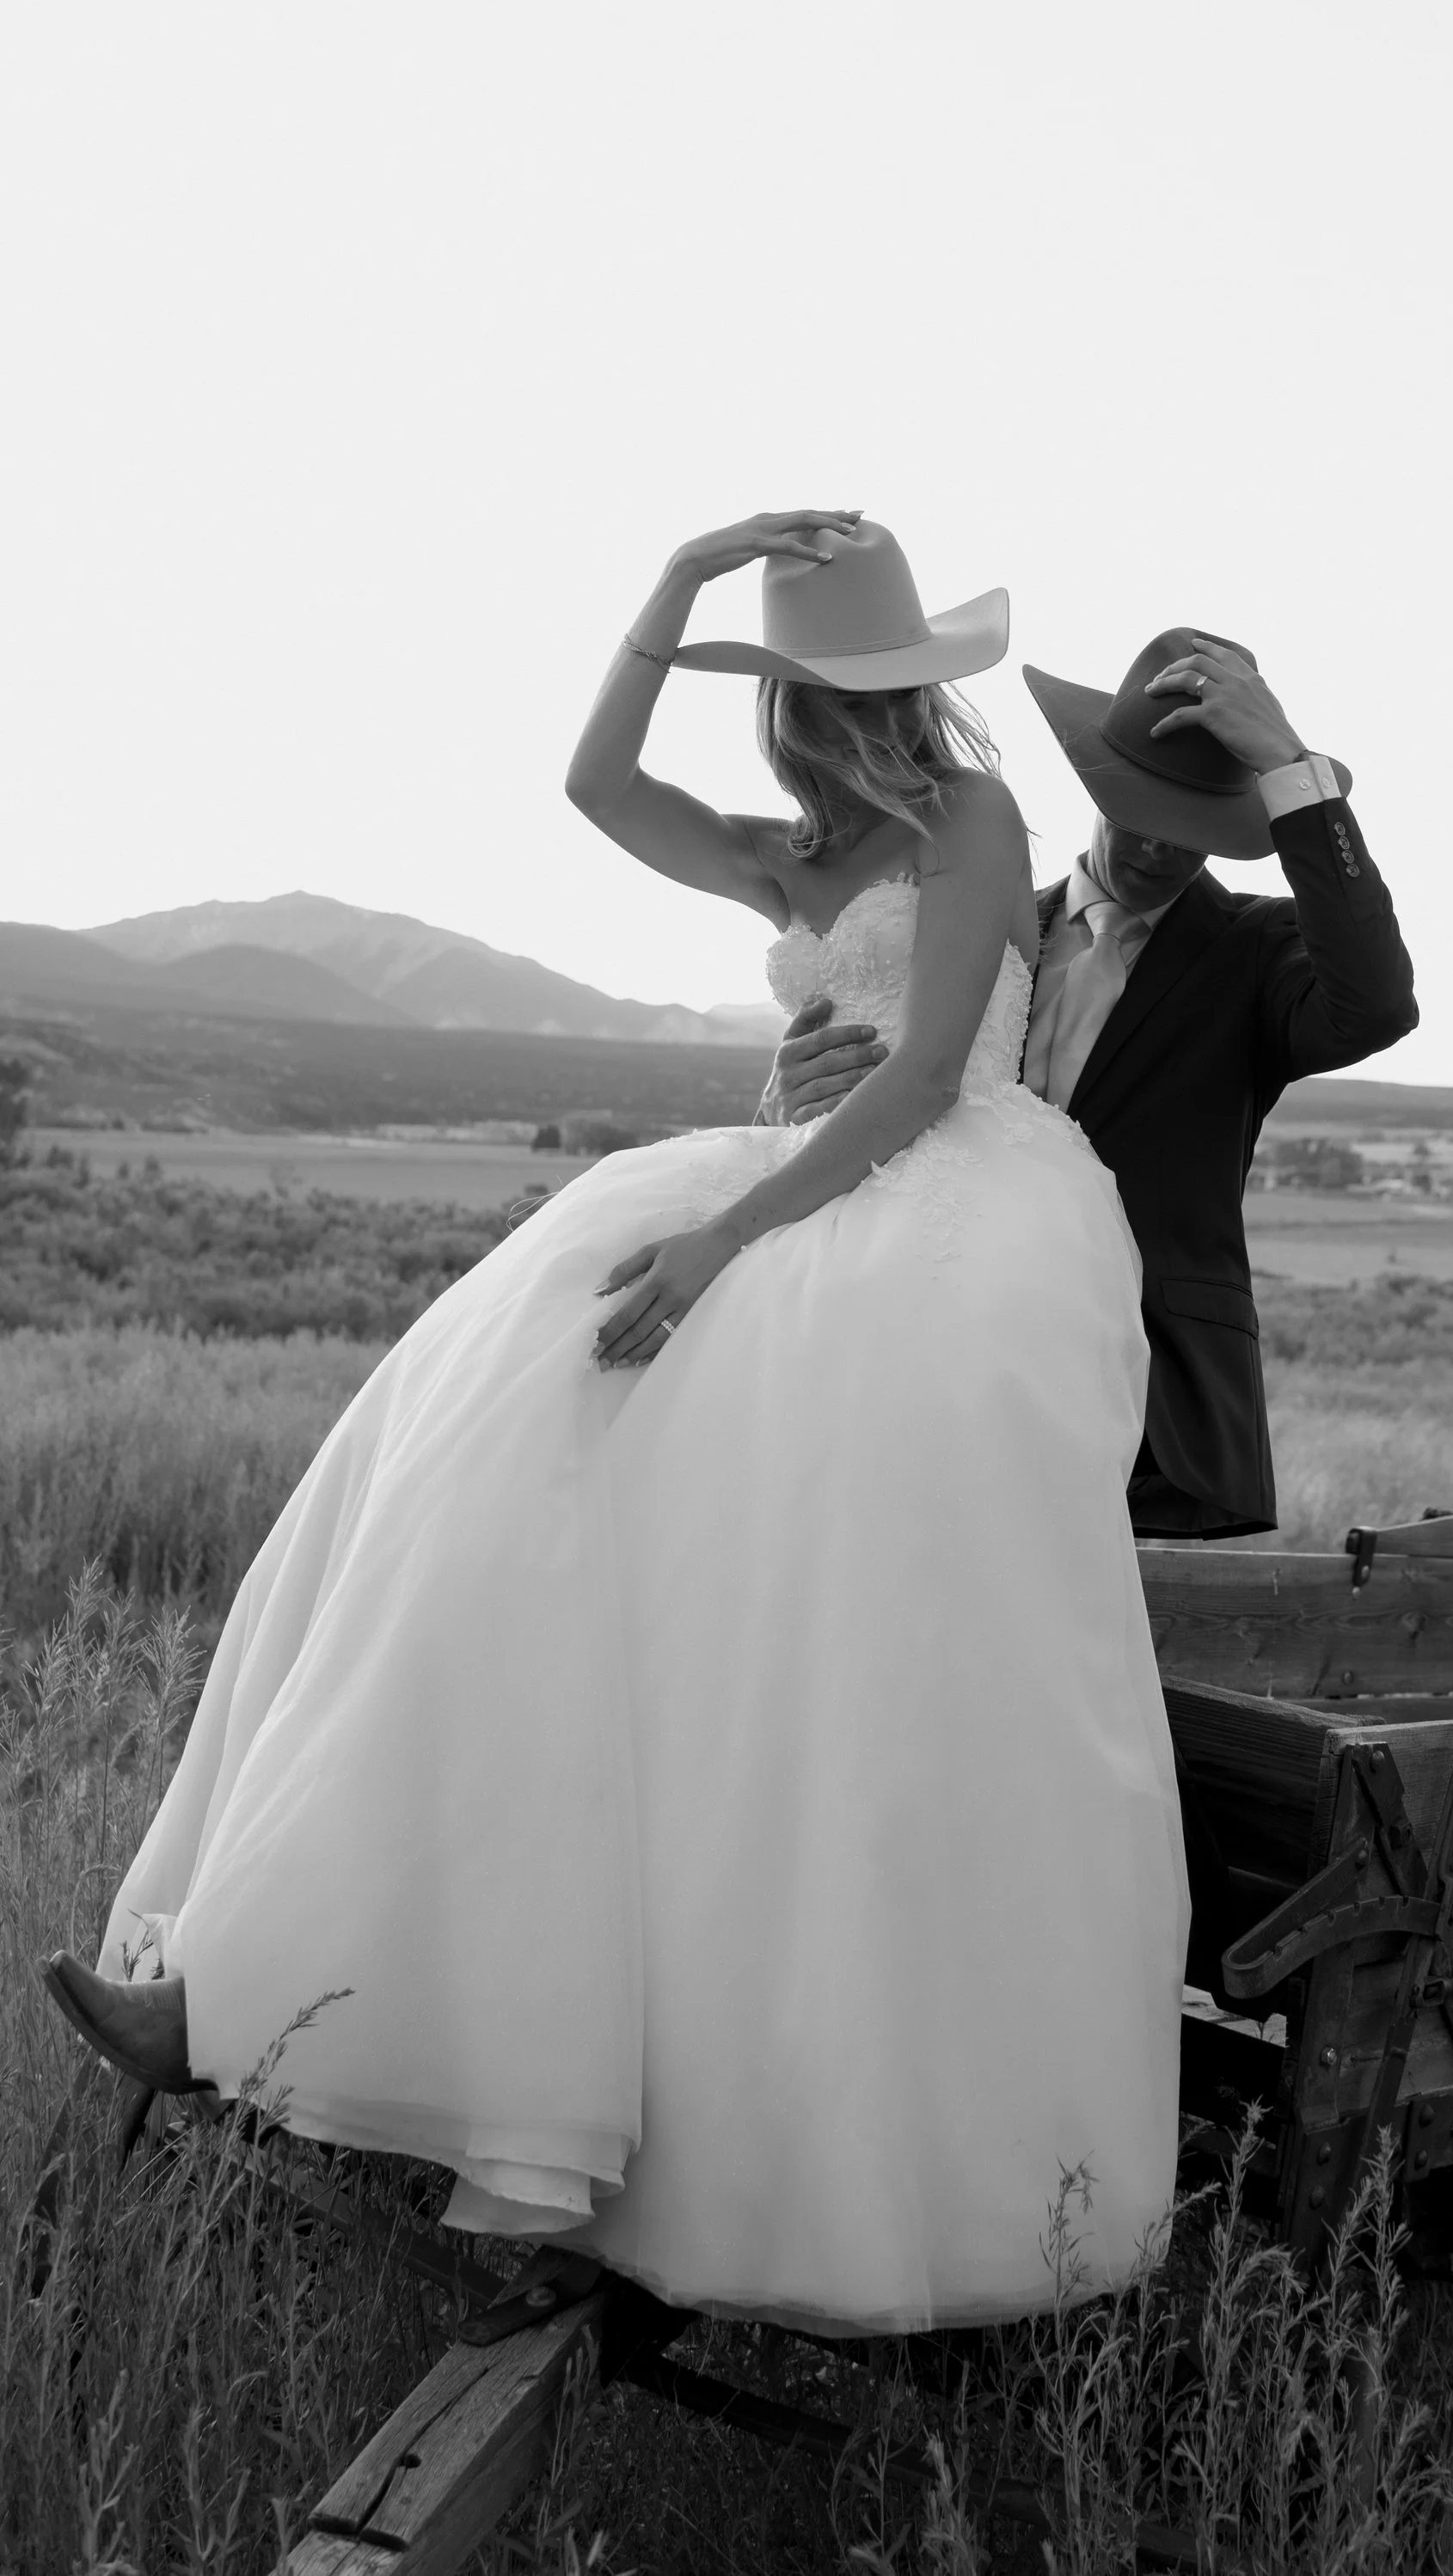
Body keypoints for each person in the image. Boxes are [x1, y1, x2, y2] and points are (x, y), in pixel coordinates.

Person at [43, 514, 1189, 2332]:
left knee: (777, 1516)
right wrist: (679, 577)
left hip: (947, 1202)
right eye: (800, 682)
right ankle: (261, 1978)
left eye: (841, 681)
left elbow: (917, 1067)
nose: (821, 713)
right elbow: (591, 780)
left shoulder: (973, 826)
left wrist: (724, 1236)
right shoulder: (777, 855)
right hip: (798, 1168)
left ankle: (742, 2106)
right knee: (486, 1437)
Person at [768, 626, 1418, 1538]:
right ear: (1095, 783)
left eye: (1192, 826)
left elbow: (1377, 1007)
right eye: (1141, 808)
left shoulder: (1258, 954)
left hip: (1146, 1407)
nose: (1158, 846)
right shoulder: (965, 929)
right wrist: (798, 1095)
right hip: (921, 1356)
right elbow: (883, 1091)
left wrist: (1287, 767)